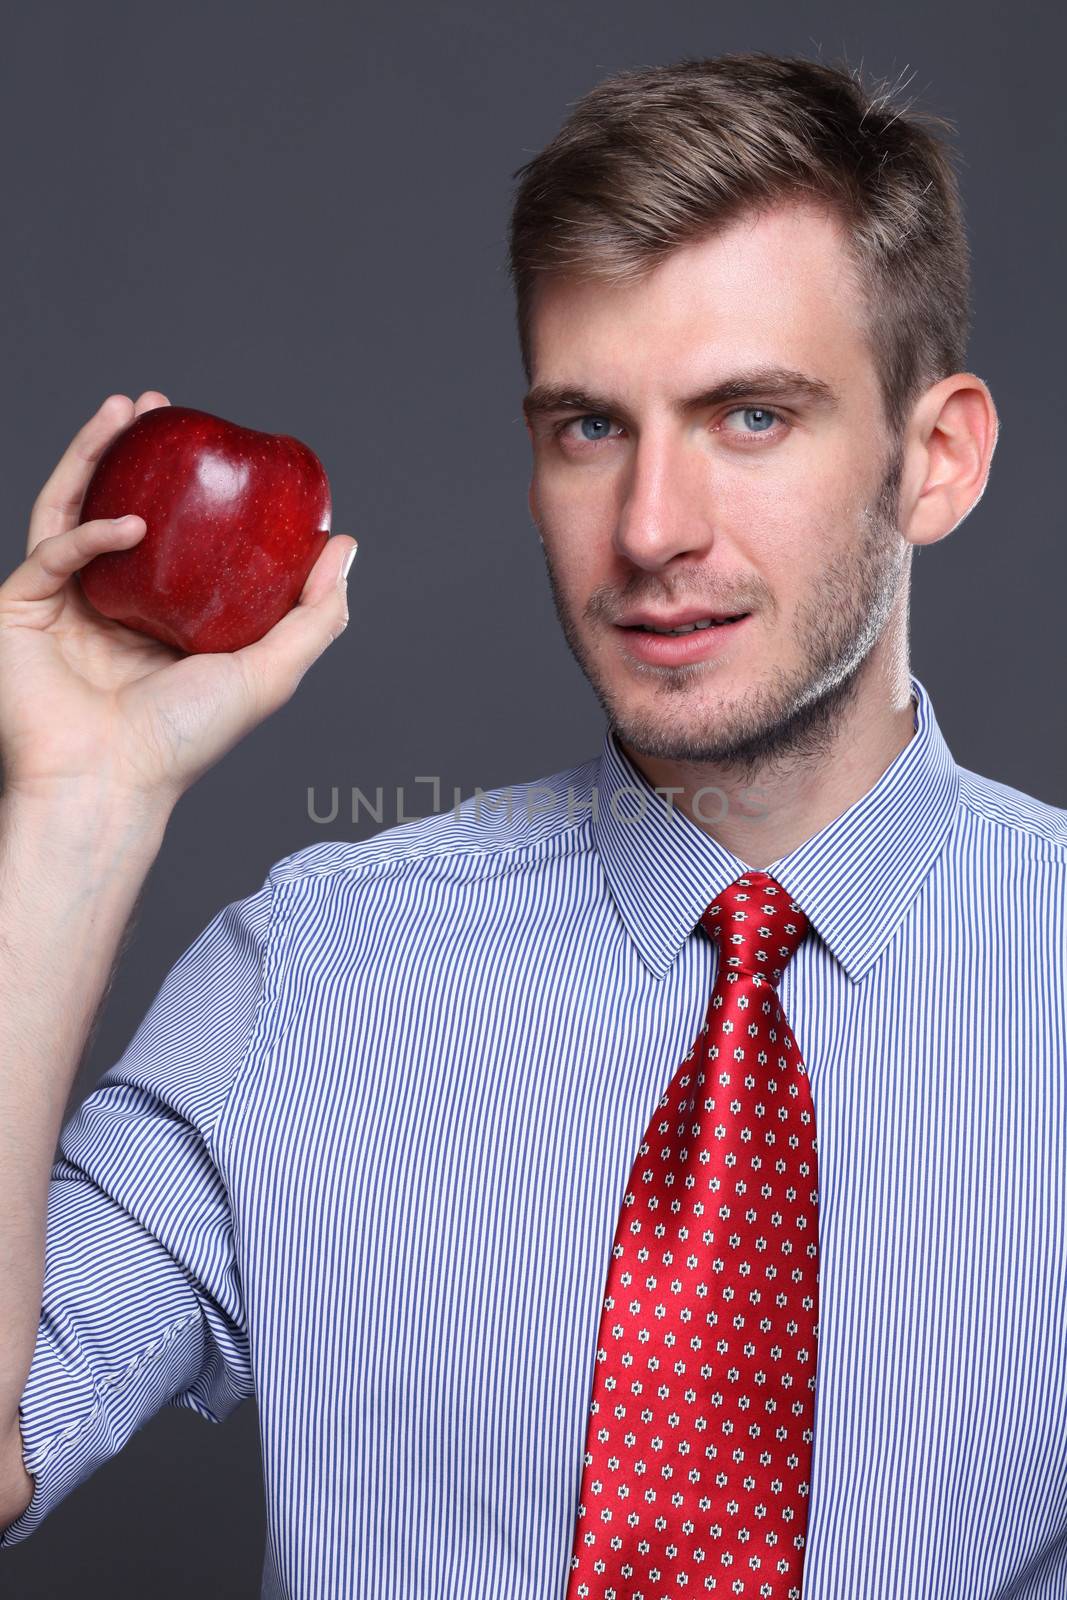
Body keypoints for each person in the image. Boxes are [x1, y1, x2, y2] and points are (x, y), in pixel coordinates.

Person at [0, 47, 1063, 1600]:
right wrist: (71, 814)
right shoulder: (312, 977)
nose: (650, 530)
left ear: (937, 458)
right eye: (589, 428)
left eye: (751, 417)